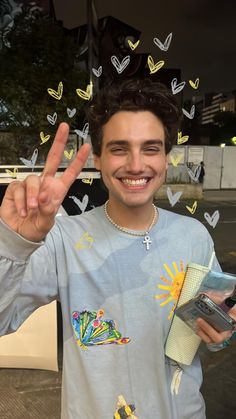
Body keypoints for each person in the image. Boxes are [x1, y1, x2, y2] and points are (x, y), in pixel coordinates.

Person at [0, 78, 235, 419]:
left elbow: (203, 335)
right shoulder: (62, 239)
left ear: (167, 156)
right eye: (119, 148)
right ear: (98, 157)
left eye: (151, 148)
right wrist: (14, 242)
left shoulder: (193, 235)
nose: (136, 165)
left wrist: (220, 333)